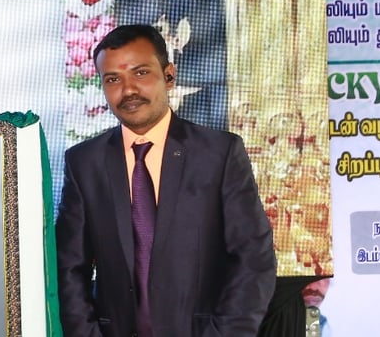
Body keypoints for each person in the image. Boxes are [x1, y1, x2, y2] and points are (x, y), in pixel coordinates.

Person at [56, 25, 276, 336]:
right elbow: (69, 269)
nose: (128, 90)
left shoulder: (218, 154)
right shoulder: (84, 163)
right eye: (113, 79)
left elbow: (253, 258)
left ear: (169, 76)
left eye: (141, 73)